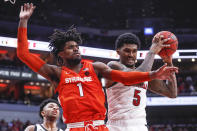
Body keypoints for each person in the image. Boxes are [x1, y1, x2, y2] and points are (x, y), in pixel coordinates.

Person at [17, 3, 178, 131]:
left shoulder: (96, 67)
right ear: (60, 54)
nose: (76, 48)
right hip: (76, 127)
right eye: (70, 47)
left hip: (100, 126)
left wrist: (153, 74)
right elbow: (23, 54)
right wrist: (23, 22)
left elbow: (124, 77)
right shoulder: (56, 73)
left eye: (76, 46)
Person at [105, 33, 178, 131]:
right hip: (118, 126)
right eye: (127, 51)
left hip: (140, 126)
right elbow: (139, 75)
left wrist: (168, 61)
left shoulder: (145, 74)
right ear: (118, 52)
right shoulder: (113, 66)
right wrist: (152, 51)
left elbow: (171, 93)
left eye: (134, 51)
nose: (131, 55)